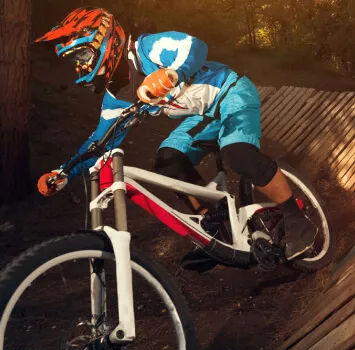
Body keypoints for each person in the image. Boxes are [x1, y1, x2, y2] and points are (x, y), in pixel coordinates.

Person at [36, 7, 317, 267]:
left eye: (81, 57)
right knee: (167, 159)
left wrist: (172, 73)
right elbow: (99, 143)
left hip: (231, 92)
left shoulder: (147, 48)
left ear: (105, 38)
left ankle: (296, 218)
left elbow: (194, 46)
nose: (79, 68)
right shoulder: (115, 98)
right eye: (74, 62)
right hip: (201, 116)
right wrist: (64, 173)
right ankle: (215, 227)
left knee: (238, 154)